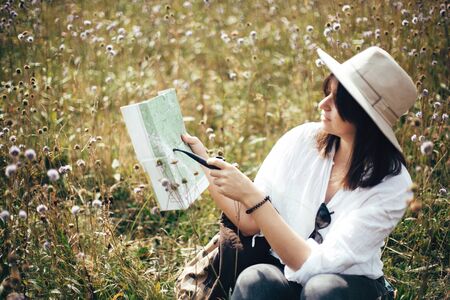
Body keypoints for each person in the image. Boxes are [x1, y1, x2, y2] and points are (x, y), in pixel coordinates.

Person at [181, 46, 417, 299]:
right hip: (284, 273)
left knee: (321, 291)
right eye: (327, 92)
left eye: (337, 100)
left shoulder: (393, 185)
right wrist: (203, 162)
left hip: (347, 286)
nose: (323, 104)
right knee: (254, 281)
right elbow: (249, 223)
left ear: (365, 116)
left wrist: (253, 198)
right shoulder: (302, 140)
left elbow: (311, 265)